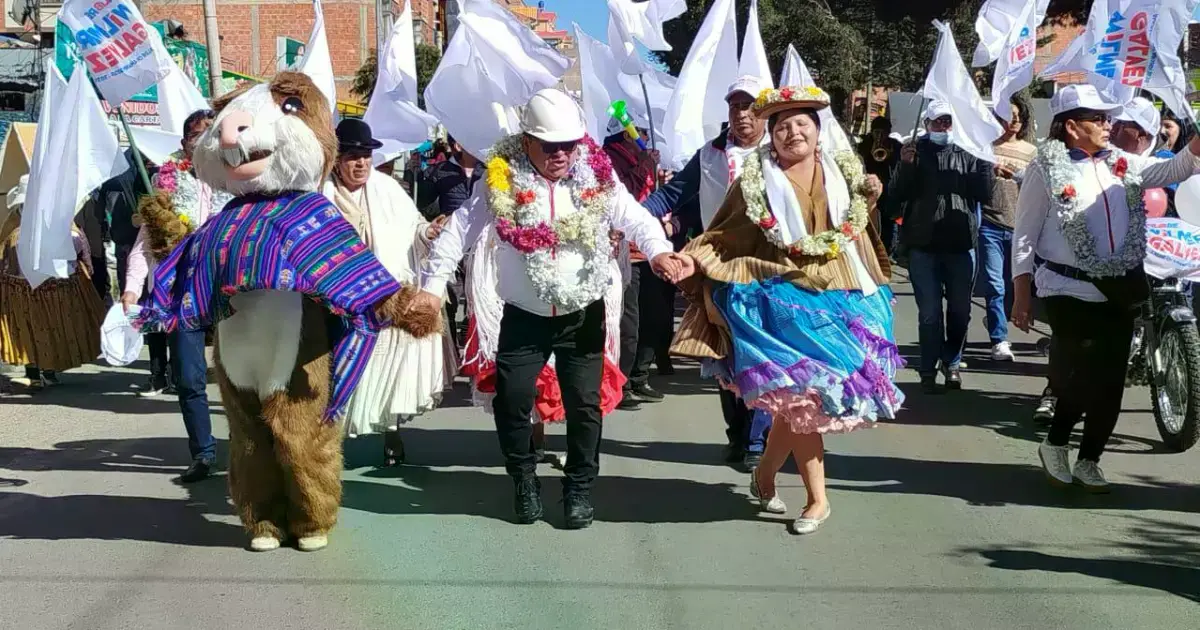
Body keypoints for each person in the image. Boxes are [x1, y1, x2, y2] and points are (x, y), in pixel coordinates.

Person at [409, 88, 680, 529]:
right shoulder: (501, 179)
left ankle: (579, 489)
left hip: (582, 312)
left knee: (585, 405)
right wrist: (434, 285)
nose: (561, 155)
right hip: (524, 313)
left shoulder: (596, 174)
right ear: (528, 141)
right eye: (550, 146)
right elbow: (460, 230)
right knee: (512, 399)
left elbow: (634, 217)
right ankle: (523, 479)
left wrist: (658, 251)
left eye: (569, 145)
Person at [669, 85, 900, 535]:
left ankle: (764, 476)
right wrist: (689, 259)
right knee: (803, 403)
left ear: (818, 131)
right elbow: (724, 234)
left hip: (842, 296)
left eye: (801, 124)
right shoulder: (754, 182)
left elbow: (857, 229)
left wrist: (871, 197)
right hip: (780, 301)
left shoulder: (843, 172)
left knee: (796, 406)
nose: (793, 133)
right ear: (770, 137)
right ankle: (818, 499)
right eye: (782, 127)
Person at [1012, 84, 1200, 492]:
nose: (1107, 126)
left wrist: (1195, 142)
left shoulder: (1121, 162)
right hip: (1065, 286)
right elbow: (1024, 234)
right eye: (1098, 119)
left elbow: (1172, 170)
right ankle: (1057, 442)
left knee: (1111, 380)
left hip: (1116, 286)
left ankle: (1090, 460)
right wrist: (1022, 293)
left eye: (1107, 118)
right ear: (1071, 126)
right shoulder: (1046, 168)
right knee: (1087, 370)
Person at [643, 75, 772, 471]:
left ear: (764, 112)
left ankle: (756, 439)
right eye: (735, 106)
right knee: (724, 356)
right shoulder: (711, 154)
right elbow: (672, 193)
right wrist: (633, 216)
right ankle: (737, 433)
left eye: (750, 106)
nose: (742, 114)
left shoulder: (777, 154)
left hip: (768, 270)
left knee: (762, 355)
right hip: (718, 270)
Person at [322, 119, 453, 466]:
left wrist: (430, 233)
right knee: (339, 375)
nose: (361, 163)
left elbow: (415, 228)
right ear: (337, 159)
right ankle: (328, 444)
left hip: (385, 296)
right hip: (339, 300)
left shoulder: (388, 188)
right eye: (352, 156)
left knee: (388, 372)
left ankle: (392, 434)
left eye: (365, 155)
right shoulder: (320, 195)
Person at [121, 109, 230, 483]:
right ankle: (203, 453)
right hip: (181, 296)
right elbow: (145, 243)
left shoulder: (236, 182)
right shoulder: (164, 185)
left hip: (230, 294)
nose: (202, 142)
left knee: (243, 378)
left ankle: (253, 450)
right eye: (195, 136)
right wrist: (133, 287)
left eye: (209, 135)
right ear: (184, 143)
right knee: (188, 378)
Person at [893, 101, 994, 393]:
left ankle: (951, 362)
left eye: (947, 121)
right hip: (923, 245)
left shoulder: (968, 150)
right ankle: (927, 369)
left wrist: (984, 160)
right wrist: (905, 166)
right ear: (926, 123)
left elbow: (983, 194)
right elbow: (897, 195)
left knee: (961, 310)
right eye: (937, 121)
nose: (942, 127)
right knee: (930, 312)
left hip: (960, 244)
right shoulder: (915, 150)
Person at [0, 175, 105, 388]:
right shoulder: (17, 221)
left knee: (41, 327)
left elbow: (77, 244)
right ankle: (37, 371)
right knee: (32, 328)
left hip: (47, 285)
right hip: (24, 286)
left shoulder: (55, 220)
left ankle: (44, 370)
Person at [604, 119, 667, 410]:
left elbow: (656, 197)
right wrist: (643, 163)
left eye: (643, 133)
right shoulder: (610, 157)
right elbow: (625, 195)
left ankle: (639, 375)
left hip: (650, 253)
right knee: (626, 322)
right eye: (638, 132)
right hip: (623, 253)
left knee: (653, 319)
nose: (642, 137)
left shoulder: (644, 158)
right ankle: (621, 382)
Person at [979, 96, 1036, 362]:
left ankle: (998, 314)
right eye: (1008, 115)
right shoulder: (986, 148)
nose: (1013, 120)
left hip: (1020, 227)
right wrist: (989, 170)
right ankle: (999, 339)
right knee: (994, 284)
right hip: (989, 224)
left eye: (1017, 116)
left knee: (1014, 284)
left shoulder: (1031, 152)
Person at [857, 115, 903, 253]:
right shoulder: (864, 144)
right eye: (876, 132)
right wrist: (868, 150)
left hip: (889, 190)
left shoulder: (895, 146)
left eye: (883, 132)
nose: (880, 135)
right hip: (869, 189)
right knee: (869, 221)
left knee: (889, 223)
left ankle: (887, 251)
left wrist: (890, 154)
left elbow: (899, 166)